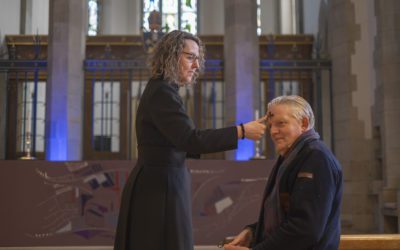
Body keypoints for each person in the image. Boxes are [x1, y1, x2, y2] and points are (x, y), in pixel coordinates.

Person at [114, 30, 267, 250]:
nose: (196, 65)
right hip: (159, 189)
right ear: (171, 55)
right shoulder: (162, 92)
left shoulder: (165, 90)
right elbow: (190, 140)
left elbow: (180, 141)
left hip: (161, 183)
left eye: (198, 59)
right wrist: (241, 131)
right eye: (190, 57)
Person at [224, 95, 343, 250]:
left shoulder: (316, 157)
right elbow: (285, 214)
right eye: (271, 125)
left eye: (281, 124)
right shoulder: (292, 155)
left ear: (304, 123)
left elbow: (305, 229)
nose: (273, 131)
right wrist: (253, 232)